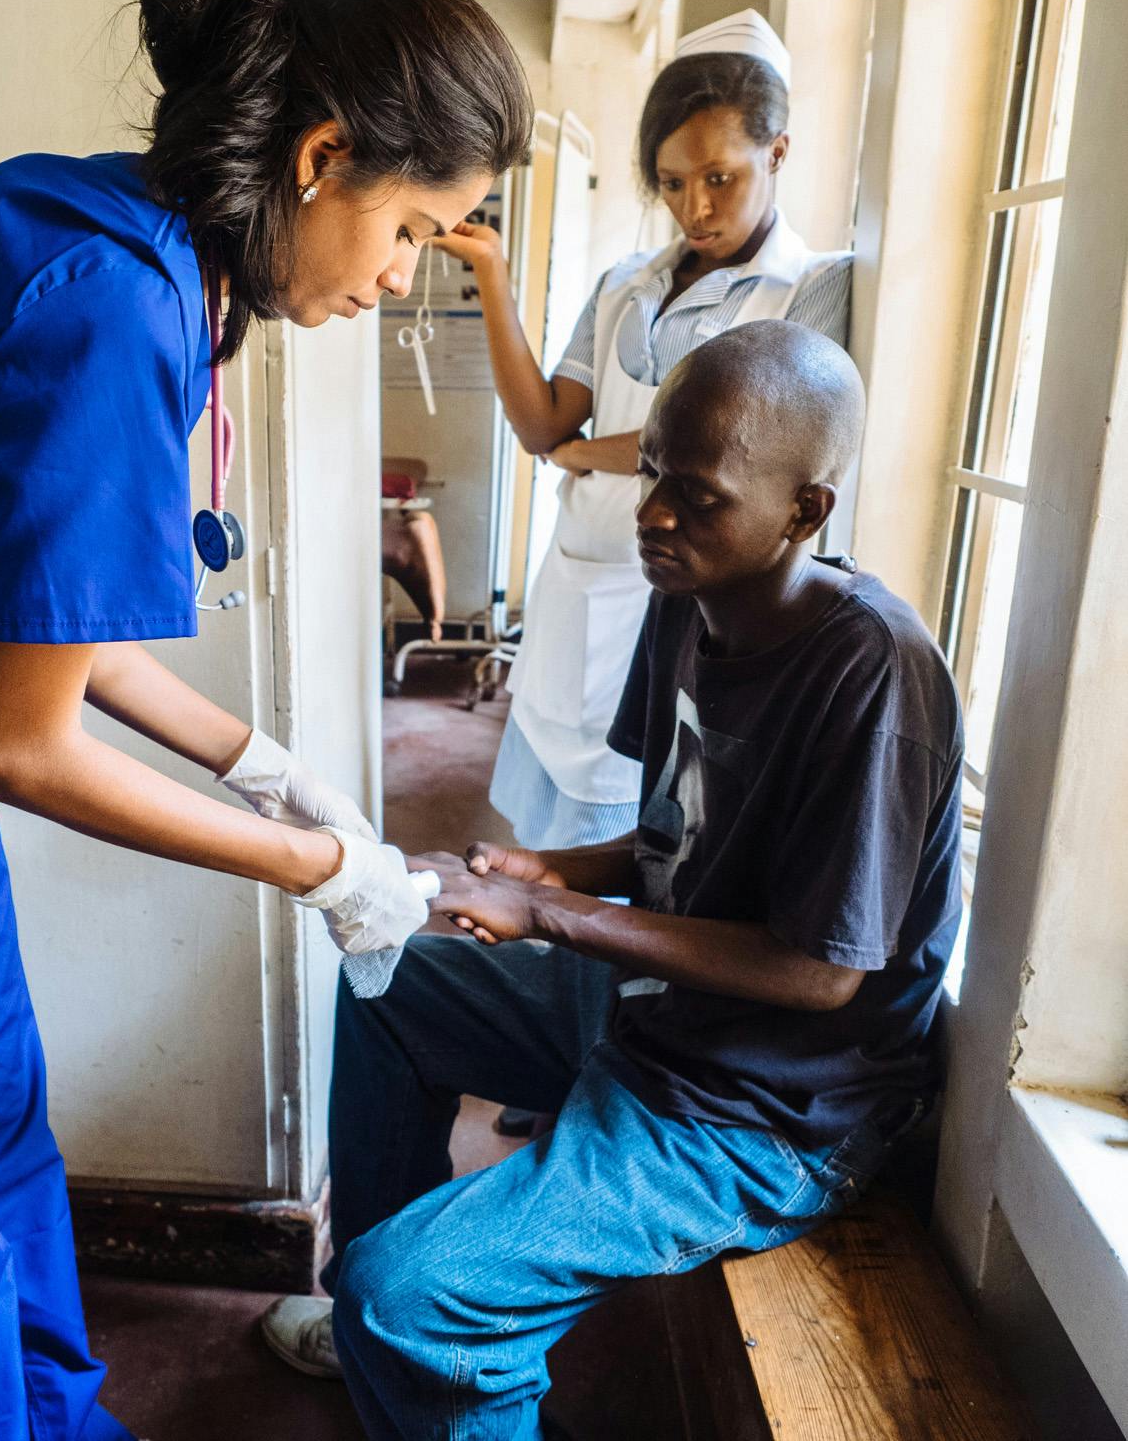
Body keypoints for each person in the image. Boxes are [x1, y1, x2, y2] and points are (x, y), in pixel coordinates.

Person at [0, 0, 533, 1441]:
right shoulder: (105, 304)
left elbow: (42, 621)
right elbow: (25, 738)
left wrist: (268, 763)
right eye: (407, 231)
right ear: (324, 158)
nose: (395, 279)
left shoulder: (138, 248)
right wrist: (322, 866)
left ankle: (50, 1417)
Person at [262, 321, 963, 1441]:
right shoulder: (692, 591)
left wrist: (554, 912)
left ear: (805, 512)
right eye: (649, 475)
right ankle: (367, 1335)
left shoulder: (872, 673)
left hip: (772, 1105)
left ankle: (402, 1330)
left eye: (695, 493)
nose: (653, 514)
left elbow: (822, 973)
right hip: (668, 1019)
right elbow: (672, 839)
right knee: (388, 985)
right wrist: (550, 869)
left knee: (421, 1298)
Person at [435, 9, 852, 852]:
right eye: (669, 182)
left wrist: (586, 453)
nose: (693, 208)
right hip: (579, 579)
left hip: (685, 597)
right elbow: (538, 422)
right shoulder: (628, 283)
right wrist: (494, 275)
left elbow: (743, 450)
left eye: (720, 177)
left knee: (642, 836)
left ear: (777, 152)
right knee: (544, 832)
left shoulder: (809, 290)